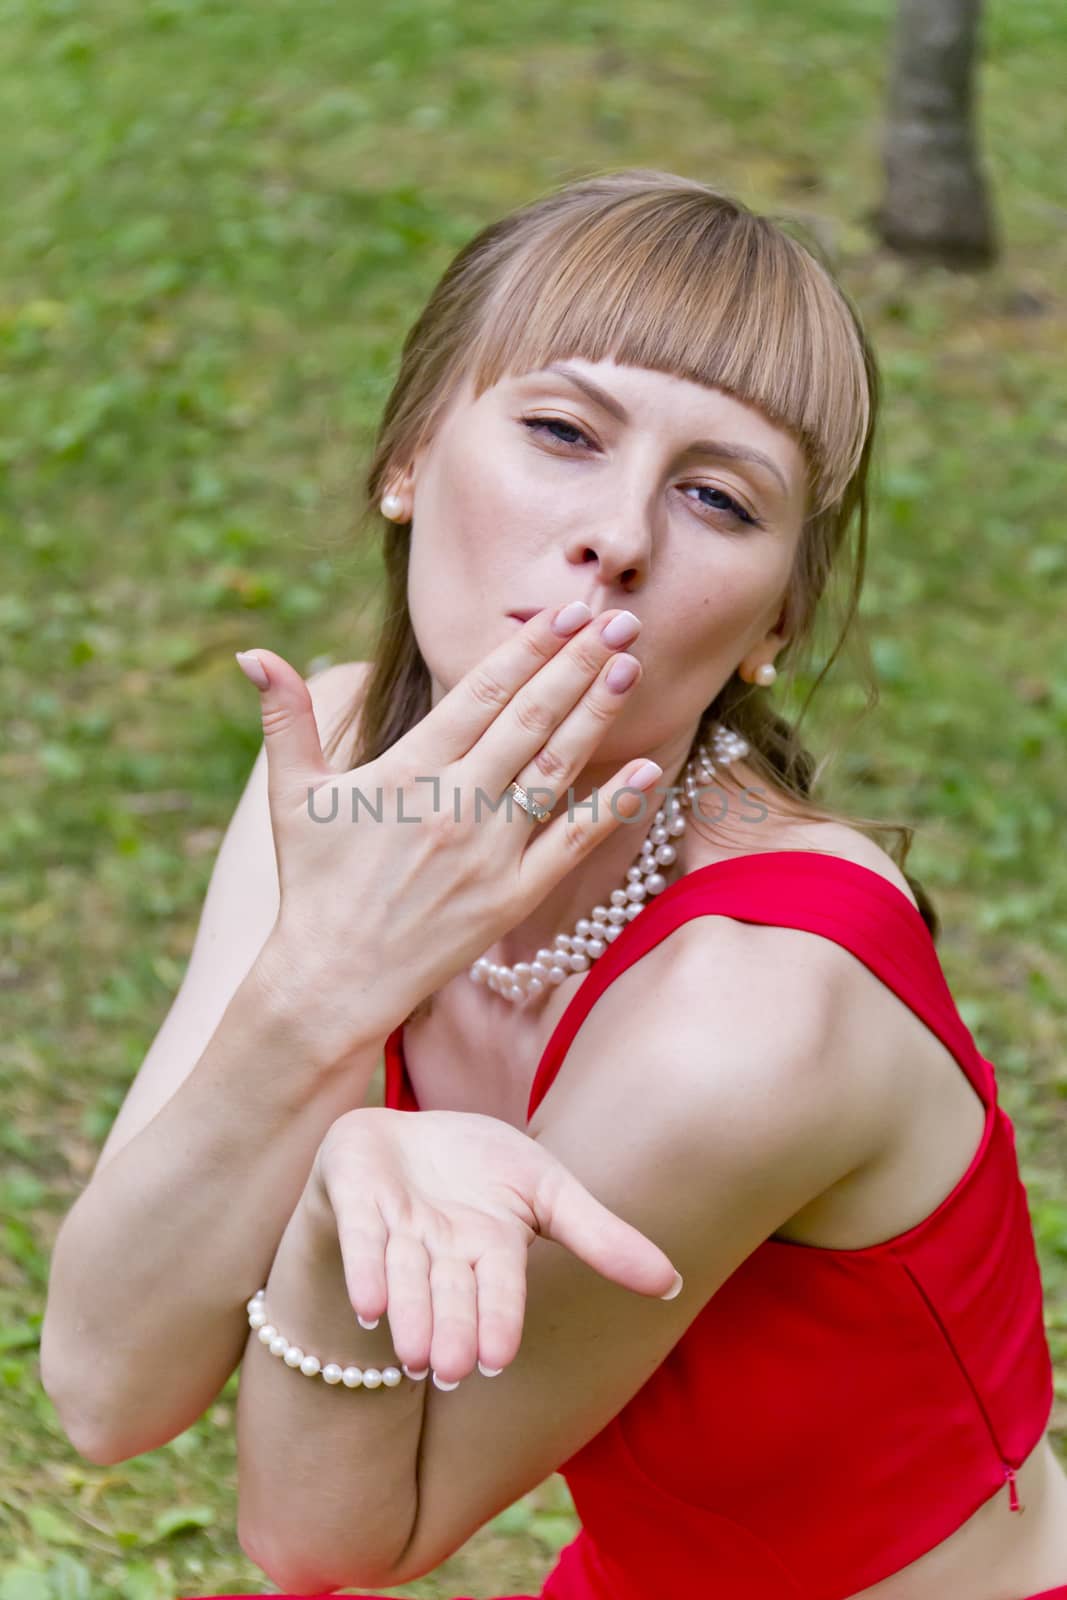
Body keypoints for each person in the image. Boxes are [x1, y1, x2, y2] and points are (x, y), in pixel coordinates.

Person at [40, 170, 1067, 1600]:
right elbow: (104, 1389)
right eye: (561, 432)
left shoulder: (757, 1008)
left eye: (717, 496)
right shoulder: (340, 760)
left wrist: (341, 1206)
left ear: (774, 620)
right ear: (407, 458)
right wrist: (316, 994)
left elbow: (332, 1537)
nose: (621, 535)